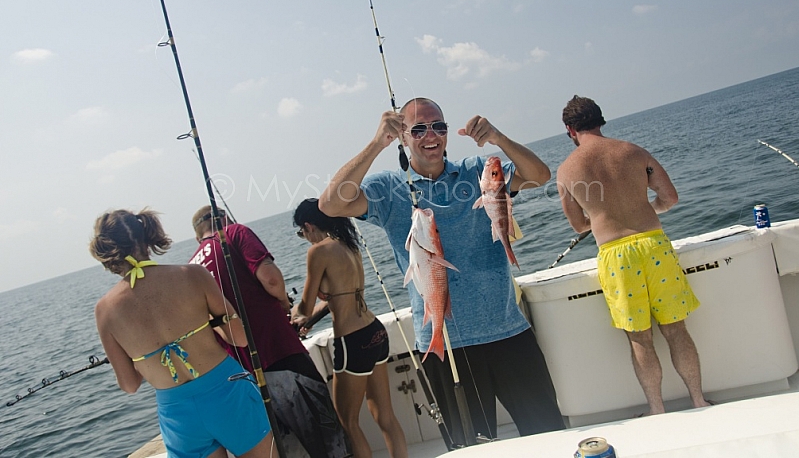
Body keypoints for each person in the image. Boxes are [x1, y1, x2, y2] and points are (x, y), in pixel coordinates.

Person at [319, 97, 565, 445]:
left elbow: (539, 175)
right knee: (470, 447)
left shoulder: (477, 171)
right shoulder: (388, 190)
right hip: (445, 345)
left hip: (508, 332)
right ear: (403, 136)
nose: (430, 135)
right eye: (418, 129)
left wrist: (498, 137)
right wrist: (377, 143)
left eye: (439, 126)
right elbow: (330, 204)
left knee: (550, 435)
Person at [556, 95, 709, 416]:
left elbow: (578, 224)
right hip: (654, 245)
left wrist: (603, 218)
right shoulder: (634, 152)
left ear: (570, 129)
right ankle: (698, 401)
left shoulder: (567, 170)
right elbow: (670, 197)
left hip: (615, 257)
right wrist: (644, 210)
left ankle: (657, 410)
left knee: (640, 339)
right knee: (676, 329)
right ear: (601, 120)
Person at [90, 208, 273, 458]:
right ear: (147, 237)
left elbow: (130, 384)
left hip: (177, 414)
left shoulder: (104, 310)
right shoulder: (193, 275)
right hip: (227, 392)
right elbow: (239, 337)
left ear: (106, 251)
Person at [190, 206, 349, 458]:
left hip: (242, 376)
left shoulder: (191, 267)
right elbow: (271, 279)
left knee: (282, 446)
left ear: (199, 237)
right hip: (280, 353)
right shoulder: (235, 232)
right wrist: (285, 305)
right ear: (225, 219)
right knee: (327, 438)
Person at [290, 198, 408, 458]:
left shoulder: (318, 251)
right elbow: (342, 297)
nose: (305, 238)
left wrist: (291, 316)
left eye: (302, 232)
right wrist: (309, 320)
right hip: (375, 331)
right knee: (385, 415)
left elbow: (305, 306)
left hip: (352, 342)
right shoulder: (349, 244)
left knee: (348, 423)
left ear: (308, 225)